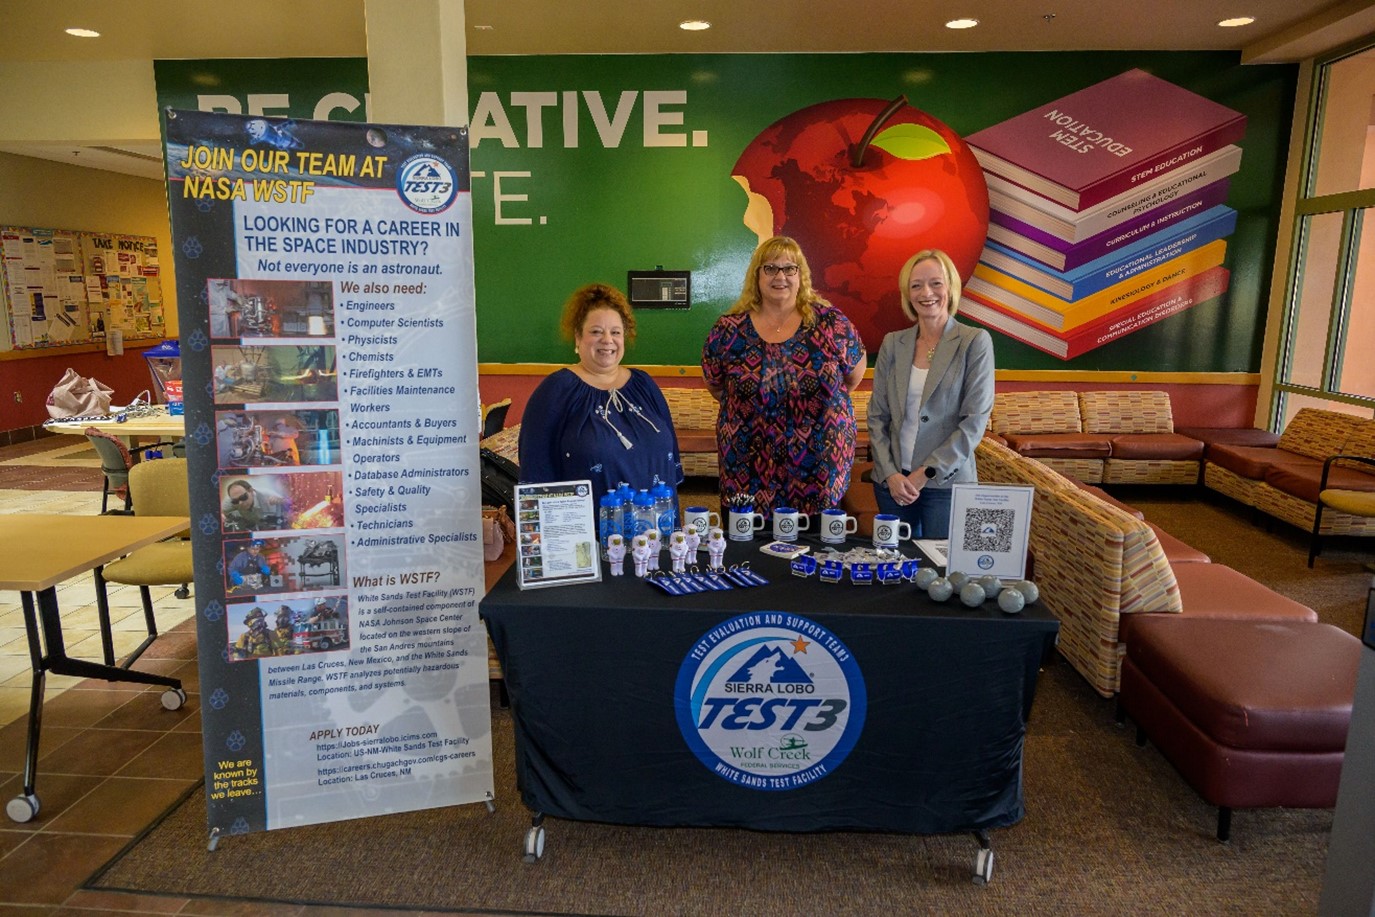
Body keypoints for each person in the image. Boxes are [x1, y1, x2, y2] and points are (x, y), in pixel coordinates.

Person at [702, 236, 866, 518]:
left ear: (801, 275)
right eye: (770, 268)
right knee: (747, 550)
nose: (781, 276)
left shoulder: (831, 323)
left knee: (815, 550)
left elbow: (852, 378)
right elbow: (716, 384)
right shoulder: (729, 330)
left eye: (789, 268)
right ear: (757, 276)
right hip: (747, 464)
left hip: (818, 464)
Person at [868, 249, 994, 539]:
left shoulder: (974, 342)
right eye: (916, 285)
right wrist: (890, 473)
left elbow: (974, 423)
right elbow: (877, 417)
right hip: (892, 486)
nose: (927, 292)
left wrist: (925, 473)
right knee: (893, 571)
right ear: (907, 294)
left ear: (950, 287)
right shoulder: (892, 343)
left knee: (942, 574)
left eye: (936, 283)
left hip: (946, 486)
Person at [519, 283, 683, 505]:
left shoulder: (645, 385)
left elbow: (670, 456)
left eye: (615, 332)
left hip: (656, 532)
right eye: (596, 332)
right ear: (578, 337)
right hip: (588, 535)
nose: (607, 340)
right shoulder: (556, 391)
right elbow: (536, 473)